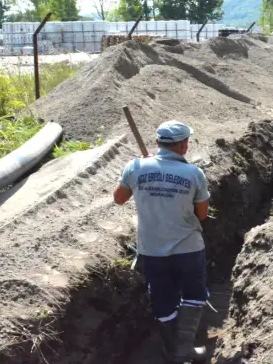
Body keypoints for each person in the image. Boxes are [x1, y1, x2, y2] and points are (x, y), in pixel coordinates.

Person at [113, 120, 211, 362]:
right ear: (184, 145)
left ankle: (172, 351)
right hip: (188, 247)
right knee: (194, 295)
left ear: (157, 143)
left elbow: (119, 198)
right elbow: (203, 214)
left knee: (163, 300)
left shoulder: (135, 167)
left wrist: (142, 179)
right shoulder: (193, 173)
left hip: (153, 250)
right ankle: (184, 351)